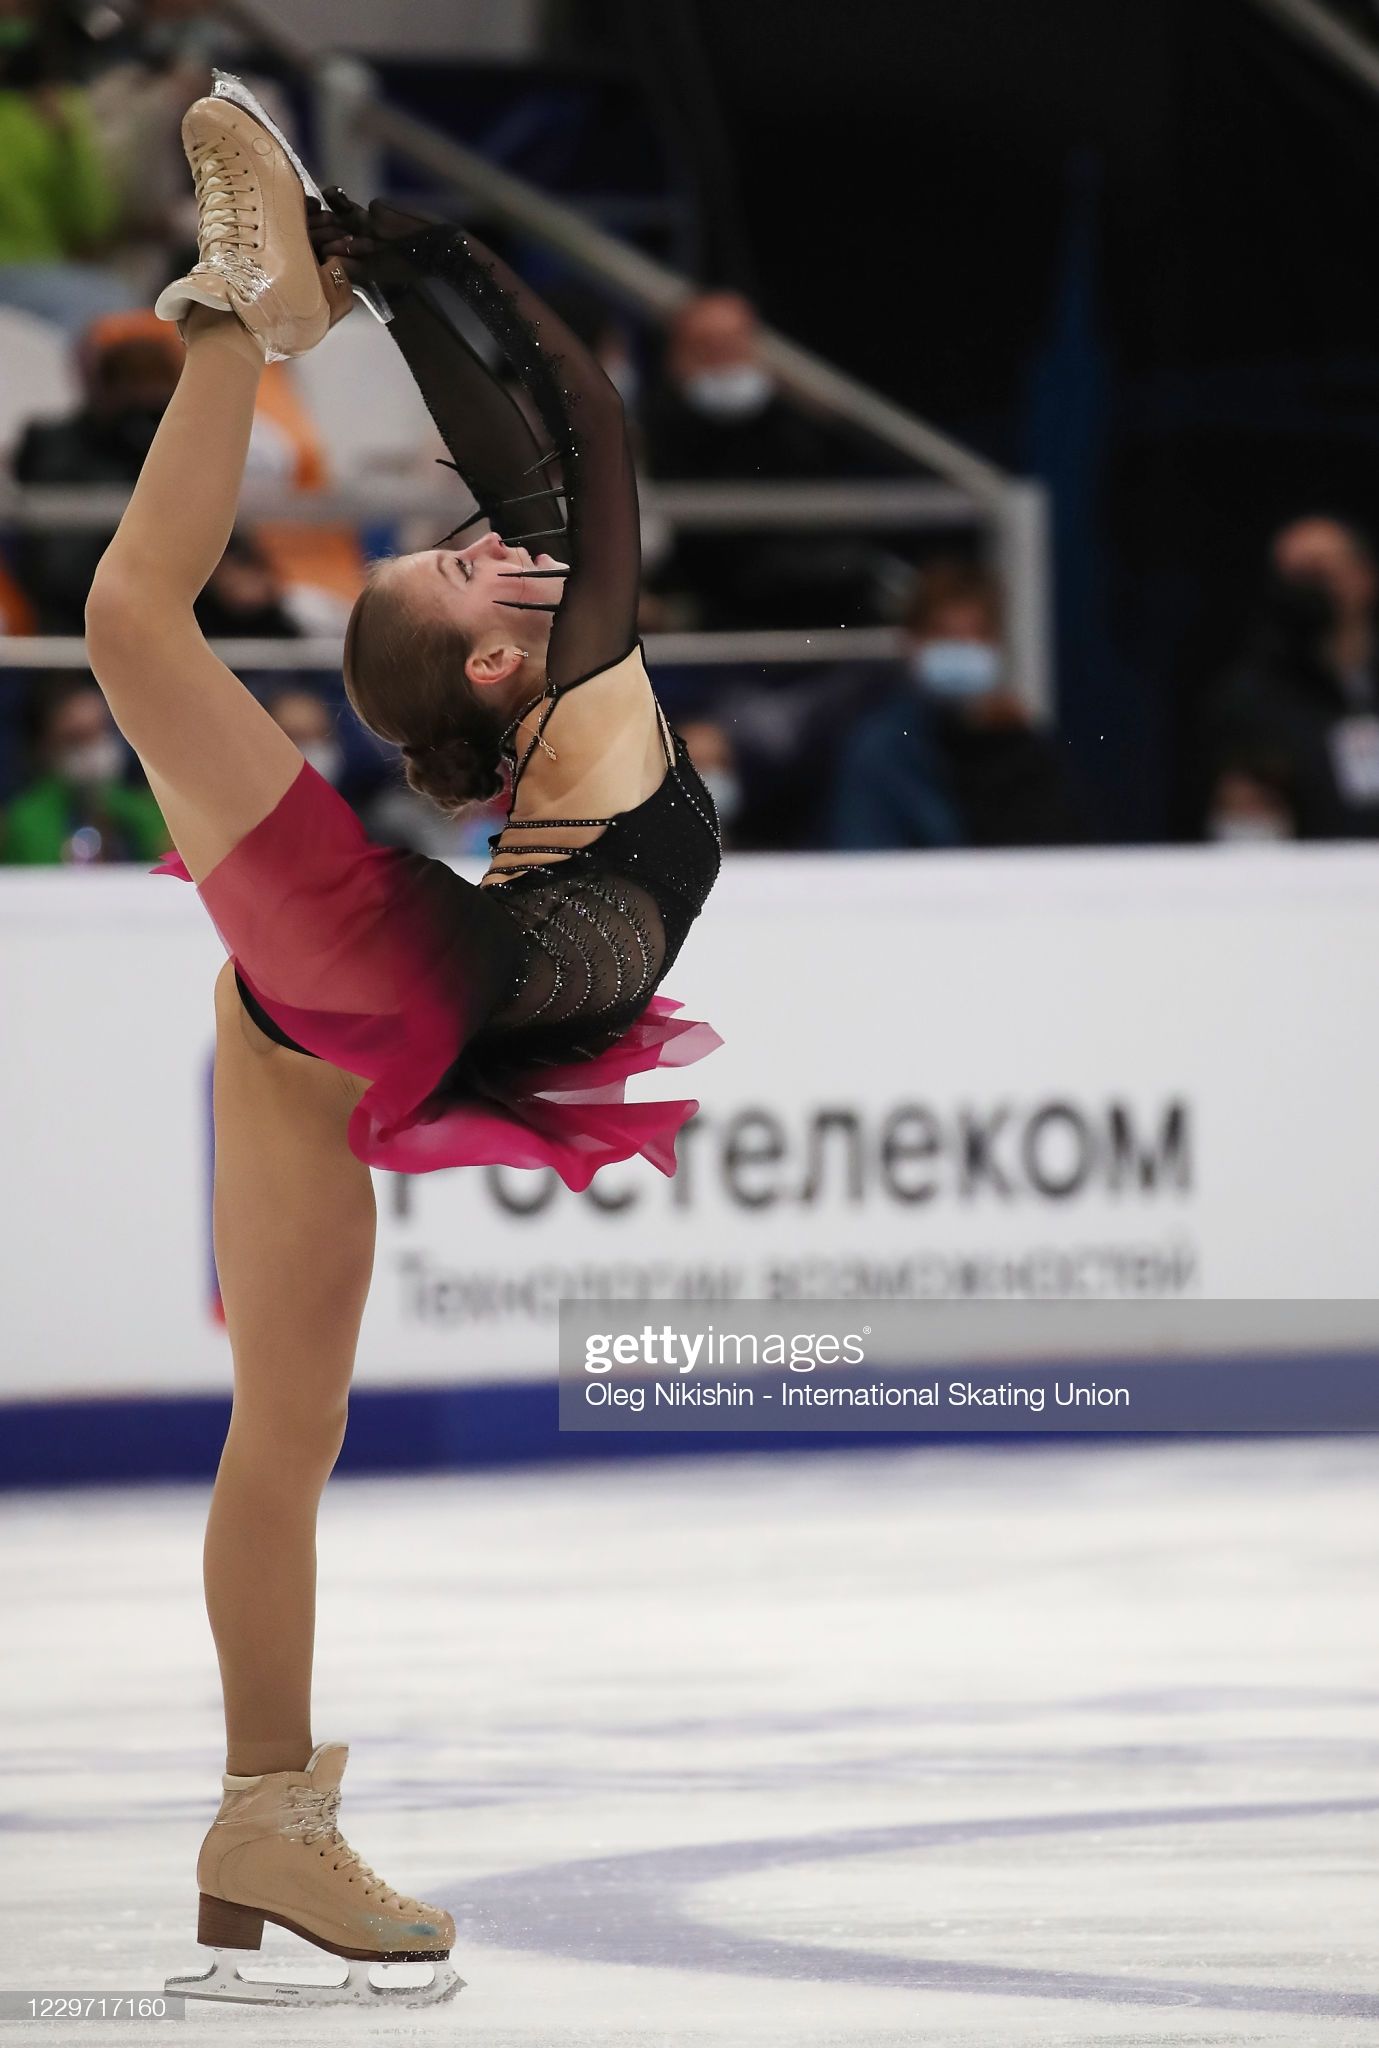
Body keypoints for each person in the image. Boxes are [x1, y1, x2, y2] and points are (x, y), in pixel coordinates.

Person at [82, 82, 720, 2010]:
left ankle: (261, 1812)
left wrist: (368, 251)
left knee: (290, 1429)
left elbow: (523, 456)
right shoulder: (582, 680)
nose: (484, 544)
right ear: (500, 654)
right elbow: (578, 432)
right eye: (459, 571)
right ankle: (223, 309)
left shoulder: (563, 704)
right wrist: (342, 260)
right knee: (129, 619)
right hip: (389, 967)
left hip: (334, 1005)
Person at [642, 289, 889, 629]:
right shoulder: (651, 430)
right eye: (706, 347)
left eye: (732, 344)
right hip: (712, 607)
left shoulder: (800, 422)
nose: (723, 360)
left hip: (814, 602)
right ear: (677, 354)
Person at [828, 558, 1083, 850]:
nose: (961, 649)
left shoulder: (1023, 748)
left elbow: (1059, 859)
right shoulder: (880, 751)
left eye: (975, 635)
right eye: (945, 636)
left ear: (996, 645)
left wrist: (1002, 752)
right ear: (912, 643)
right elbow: (864, 863)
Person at [1200, 515, 1379, 840]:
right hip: (1317, 883)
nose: (1306, 591)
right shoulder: (1251, 703)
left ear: (1364, 577)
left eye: (1319, 573)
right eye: (1293, 578)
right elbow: (1247, 838)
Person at [0, 674, 169, 863]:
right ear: (47, 746)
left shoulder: (149, 811)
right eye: (75, 738)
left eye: (98, 733)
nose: (89, 749)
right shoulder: (24, 820)